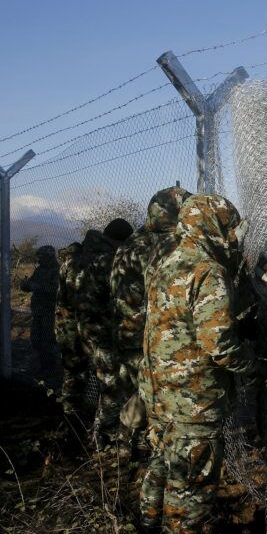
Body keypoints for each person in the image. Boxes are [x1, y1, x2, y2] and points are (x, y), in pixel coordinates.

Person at [139, 194, 267, 534]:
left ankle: (148, 533)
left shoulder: (166, 261)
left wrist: (253, 285)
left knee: (163, 463)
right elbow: (218, 342)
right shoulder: (208, 271)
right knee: (194, 481)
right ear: (214, 227)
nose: (234, 236)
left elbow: (199, 317)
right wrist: (256, 367)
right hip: (195, 398)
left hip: (160, 392)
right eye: (230, 228)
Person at [110, 185, 191, 440]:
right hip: (141, 330)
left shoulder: (137, 240)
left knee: (135, 390)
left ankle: (125, 445)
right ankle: (137, 444)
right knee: (147, 392)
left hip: (127, 327)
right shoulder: (154, 246)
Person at [74, 218, 134, 450]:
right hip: (103, 331)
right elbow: (119, 298)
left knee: (105, 380)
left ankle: (101, 431)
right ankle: (103, 437)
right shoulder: (108, 261)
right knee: (111, 384)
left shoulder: (85, 256)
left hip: (89, 328)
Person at [55, 242, 87, 410]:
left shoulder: (65, 264)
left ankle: (70, 405)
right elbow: (74, 291)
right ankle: (71, 408)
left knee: (72, 367)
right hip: (71, 325)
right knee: (75, 368)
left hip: (66, 324)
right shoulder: (74, 264)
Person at [21, 245, 60, 376]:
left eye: (42, 256)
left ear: (49, 257)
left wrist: (37, 287)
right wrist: (26, 285)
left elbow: (56, 291)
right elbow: (31, 285)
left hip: (50, 311)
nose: (39, 259)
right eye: (39, 256)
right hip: (38, 310)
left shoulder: (56, 270)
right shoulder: (39, 270)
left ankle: (50, 369)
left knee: (48, 340)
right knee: (35, 339)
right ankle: (39, 367)